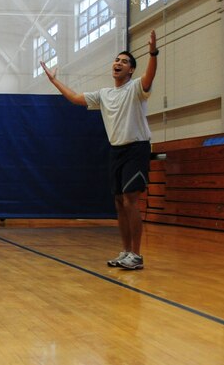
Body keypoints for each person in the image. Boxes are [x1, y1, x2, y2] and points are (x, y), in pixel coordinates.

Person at [40, 30, 158, 270]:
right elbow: (74, 98)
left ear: (131, 70)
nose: (118, 63)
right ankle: (125, 252)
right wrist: (54, 80)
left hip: (136, 148)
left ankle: (136, 255)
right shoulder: (104, 95)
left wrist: (153, 53)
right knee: (118, 202)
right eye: (117, 60)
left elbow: (150, 75)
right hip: (116, 151)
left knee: (130, 200)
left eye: (124, 61)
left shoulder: (136, 88)